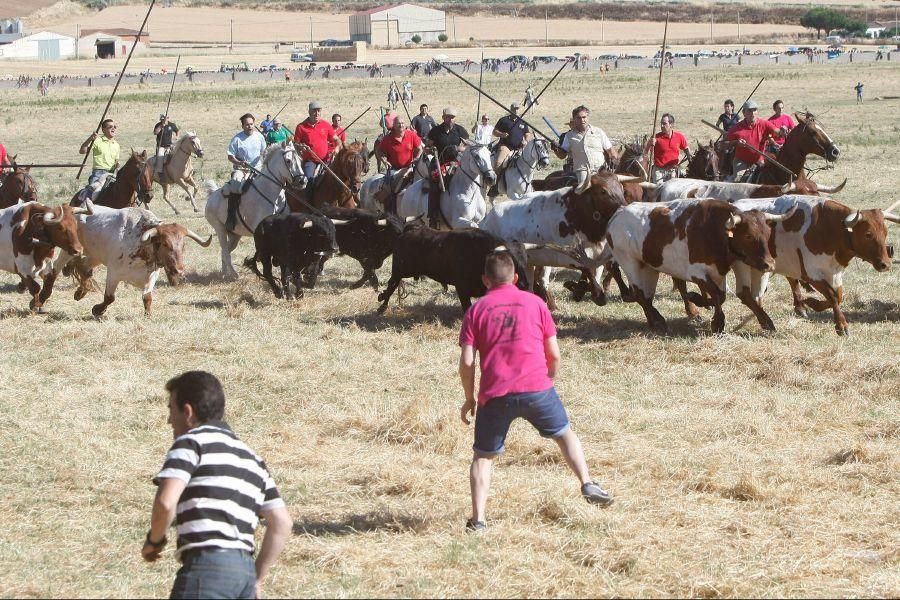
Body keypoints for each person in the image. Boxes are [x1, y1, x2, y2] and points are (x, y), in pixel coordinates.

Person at [458, 252, 613, 532]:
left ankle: (479, 520)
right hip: (537, 388)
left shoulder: (476, 311)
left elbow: (468, 361)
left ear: (485, 280)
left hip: (495, 394)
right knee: (565, 435)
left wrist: (470, 398)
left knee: (483, 457)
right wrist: (547, 381)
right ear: (516, 278)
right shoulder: (536, 303)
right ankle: (587, 482)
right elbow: (554, 354)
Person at [142, 371, 293, 599]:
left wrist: (155, 540)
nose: (168, 420)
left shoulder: (191, 443)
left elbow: (165, 502)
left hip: (206, 568)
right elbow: (282, 523)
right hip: (244, 576)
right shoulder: (252, 458)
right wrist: (257, 580)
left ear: (188, 412)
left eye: (170, 409)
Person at [551, 105, 615, 193]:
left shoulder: (599, 132)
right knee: (581, 190)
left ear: (588, 117)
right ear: (574, 119)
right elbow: (562, 155)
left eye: (584, 117)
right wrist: (555, 149)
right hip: (583, 171)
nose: (582, 120)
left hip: (601, 169)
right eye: (579, 118)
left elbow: (610, 150)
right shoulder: (568, 136)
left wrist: (614, 159)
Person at [425, 107, 469, 226]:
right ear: (443, 117)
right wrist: (430, 149)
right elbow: (426, 147)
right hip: (439, 163)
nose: (450, 119)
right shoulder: (435, 131)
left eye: (452, 117)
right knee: (434, 184)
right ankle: (433, 216)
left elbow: (468, 145)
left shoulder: (460, 130)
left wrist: (460, 148)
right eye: (448, 117)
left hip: (456, 162)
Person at [722, 100, 785, 182]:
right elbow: (723, 144)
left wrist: (782, 131)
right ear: (744, 113)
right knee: (738, 181)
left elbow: (777, 132)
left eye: (754, 110)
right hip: (741, 163)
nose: (752, 113)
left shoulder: (764, 124)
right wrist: (736, 143)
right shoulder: (736, 128)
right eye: (749, 110)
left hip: (760, 161)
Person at [225, 113, 266, 231]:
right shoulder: (237, 139)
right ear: (242, 126)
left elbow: (264, 152)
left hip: (258, 169)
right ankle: (231, 217)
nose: (250, 126)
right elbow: (230, 156)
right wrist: (239, 162)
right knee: (235, 185)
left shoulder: (260, 137)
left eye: (251, 124)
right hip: (241, 170)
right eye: (247, 125)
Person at [377, 116, 423, 209]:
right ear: (394, 126)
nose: (401, 125)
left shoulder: (411, 135)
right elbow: (380, 151)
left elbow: (419, 148)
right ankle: (391, 210)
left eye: (402, 123)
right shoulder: (387, 138)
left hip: (410, 168)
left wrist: (417, 157)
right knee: (391, 189)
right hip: (394, 169)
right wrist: (384, 160)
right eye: (398, 123)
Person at [294, 101, 342, 181]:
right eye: (314, 111)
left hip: (327, 160)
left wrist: (337, 147)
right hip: (310, 162)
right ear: (309, 112)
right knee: (309, 181)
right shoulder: (301, 127)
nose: (317, 113)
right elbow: (296, 144)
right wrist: (301, 147)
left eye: (319, 111)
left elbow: (337, 139)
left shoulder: (325, 125)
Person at [79, 118, 121, 197]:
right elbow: (82, 151)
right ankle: (84, 206)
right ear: (103, 130)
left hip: (112, 174)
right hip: (99, 173)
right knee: (91, 194)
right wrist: (90, 139)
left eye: (115, 126)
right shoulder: (97, 140)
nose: (113, 128)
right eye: (110, 127)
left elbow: (116, 161)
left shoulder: (116, 145)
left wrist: (117, 165)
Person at [645, 113, 690, 184]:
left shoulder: (679, 137)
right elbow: (645, 152)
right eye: (661, 124)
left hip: (673, 171)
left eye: (664, 124)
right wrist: (650, 143)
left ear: (671, 124)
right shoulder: (655, 137)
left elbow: (686, 149)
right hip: (659, 171)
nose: (662, 126)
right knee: (658, 191)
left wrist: (689, 157)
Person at [492, 102, 531, 171]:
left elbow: (527, 133)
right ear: (510, 110)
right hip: (506, 146)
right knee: (498, 163)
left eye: (517, 109)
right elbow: (494, 131)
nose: (516, 111)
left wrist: (526, 141)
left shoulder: (522, 121)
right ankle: (497, 180)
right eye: (514, 109)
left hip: (520, 148)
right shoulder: (503, 120)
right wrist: (501, 134)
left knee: (529, 163)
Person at [152, 114, 179, 178]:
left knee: (176, 155)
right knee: (160, 158)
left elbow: (177, 130)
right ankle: (159, 173)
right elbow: (155, 132)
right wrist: (161, 126)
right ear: (161, 119)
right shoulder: (158, 125)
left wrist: (177, 136)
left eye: (167, 118)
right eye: (164, 119)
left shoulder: (172, 125)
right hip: (161, 146)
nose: (165, 119)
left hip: (169, 145)